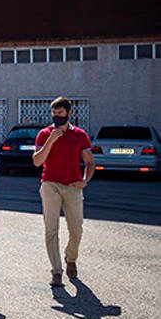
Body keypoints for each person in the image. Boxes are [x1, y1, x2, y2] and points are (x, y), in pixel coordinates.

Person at [32, 97, 94, 288]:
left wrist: (85, 180)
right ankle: (56, 271)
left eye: (60, 113)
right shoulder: (44, 134)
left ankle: (71, 259)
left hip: (73, 186)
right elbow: (37, 161)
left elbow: (90, 162)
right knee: (51, 229)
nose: (56, 116)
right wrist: (52, 139)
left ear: (69, 113)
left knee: (76, 229)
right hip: (50, 184)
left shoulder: (80, 135)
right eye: (54, 113)